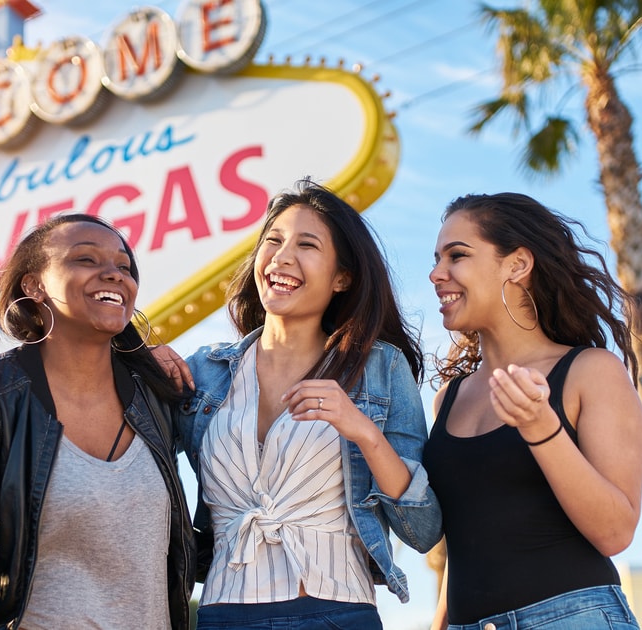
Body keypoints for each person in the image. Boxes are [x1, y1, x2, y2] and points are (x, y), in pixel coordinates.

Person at [171, 179, 444, 629]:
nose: (282, 257)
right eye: (273, 241)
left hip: (335, 612)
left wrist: (364, 432)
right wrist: (141, 354)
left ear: (342, 277)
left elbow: (423, 529)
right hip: (223, 613)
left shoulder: (380, 368)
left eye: (307, 244)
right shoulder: (205, 371)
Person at [0, 214, 195, 630]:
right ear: (34, 285)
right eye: (85, 259)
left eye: (124, 266)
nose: (113, 274)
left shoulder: (157, 396)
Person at [422, 192, 642, 629]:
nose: (436, 274)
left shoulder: (589, 371)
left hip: (571, 617)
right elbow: (471, 534)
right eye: (436, 258)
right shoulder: (448, 399)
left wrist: (541, 427)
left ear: (517, 265)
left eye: (457, 255)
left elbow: (616, 531)